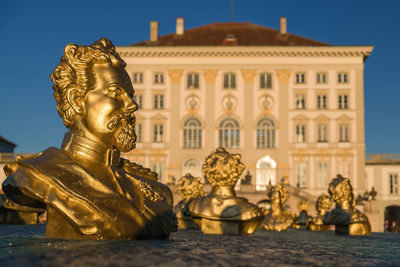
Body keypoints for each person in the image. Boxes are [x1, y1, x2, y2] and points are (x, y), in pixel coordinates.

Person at [2, 38, 177, 239]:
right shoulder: (38, 173)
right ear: (76, 100)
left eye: (130, 95)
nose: (132, 105)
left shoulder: (154, 189)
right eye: (116, 92)